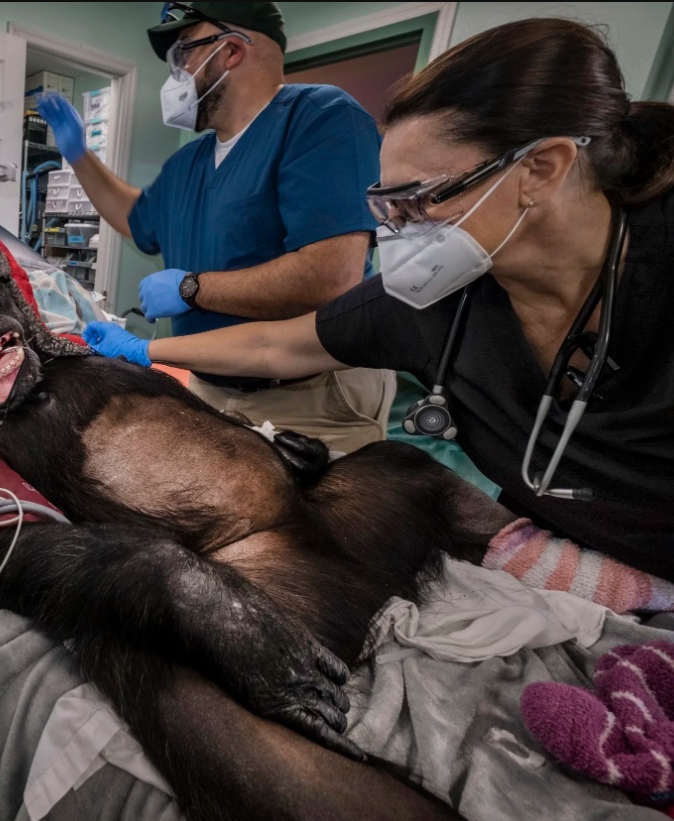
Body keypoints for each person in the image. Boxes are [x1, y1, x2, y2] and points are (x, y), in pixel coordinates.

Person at [84, 18, 674, 578]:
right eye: (387, 206)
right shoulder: (437, 300)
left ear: (541, 168)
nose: (399, 231)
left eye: (419, 199)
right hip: (563, 560)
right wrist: (148, 350)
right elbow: (277, 344)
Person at [35, 1, 393, 454]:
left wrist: (191, 289)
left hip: (310, 395)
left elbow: (330, 276)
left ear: (230, 51)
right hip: (209, 385)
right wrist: (79, 156)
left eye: (183, 53)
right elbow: (136, 217)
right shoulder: (190, 161)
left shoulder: (320, 119)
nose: (177, 74)